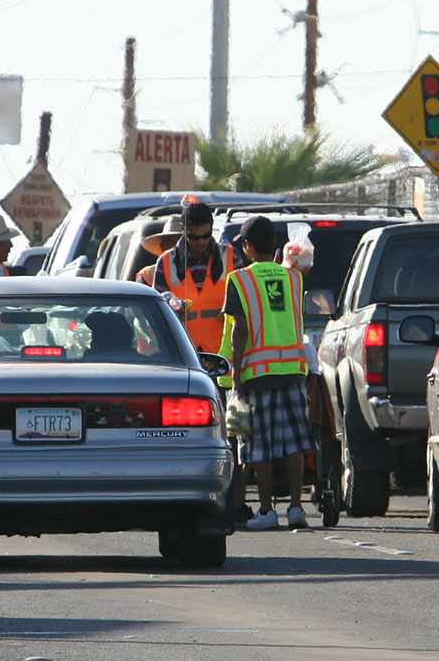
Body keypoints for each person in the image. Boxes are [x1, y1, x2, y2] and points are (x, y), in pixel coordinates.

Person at [218, 215, 314, 531]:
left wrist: (236, 374)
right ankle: (297, 509)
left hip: (256, 374)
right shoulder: (294, 279)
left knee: (259, 446)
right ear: (274, 245)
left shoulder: (240, 279)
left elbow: (240, 329)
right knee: (294, 442)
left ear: (246, 246)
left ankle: (266, 510)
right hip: (293, 370)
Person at [151, 202, 241, 356]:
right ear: (183, 228)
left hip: (223, 352)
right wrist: (174, 309)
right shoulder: (166, 262)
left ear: (212, 227)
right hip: (183, 352)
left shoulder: (231, 257)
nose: (201, 242)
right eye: (194, 237)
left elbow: (245, 304)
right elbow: (156, 312)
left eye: (205, 235)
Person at [134, 216, 185, 289]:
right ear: (163, 247)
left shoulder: (202, 271)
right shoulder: (148, 275)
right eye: (169, 244)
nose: (176, 249)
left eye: (182, 244)